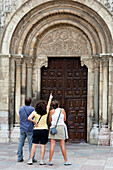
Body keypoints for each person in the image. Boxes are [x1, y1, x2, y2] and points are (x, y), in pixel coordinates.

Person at [27, 93, 53, 165]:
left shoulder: (35, 112)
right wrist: (50, 98)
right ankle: (41, 160)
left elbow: (29, 118)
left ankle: (30, 159)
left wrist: (34, 122)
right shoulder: (46, 112)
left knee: (34, 145)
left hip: (36, 130)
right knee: (43, 145)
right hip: (44, 130)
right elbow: (49, 105)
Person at [48, 100, 72, 166]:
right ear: (58, 105)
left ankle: (50, 161)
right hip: (61, 127)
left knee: (52, 145)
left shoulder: (51, 111)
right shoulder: (62, 110)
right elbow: (64, 119)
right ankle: (66, 161)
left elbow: (50, 120)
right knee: (62, 145)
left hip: (53, 128)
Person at [17, 97, 37, 162]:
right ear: (31, 102)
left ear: (24, 102)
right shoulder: (32, 109)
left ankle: (19, 157)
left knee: (20, 143)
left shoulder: (21, 109)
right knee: (31, 144)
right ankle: (31, 158)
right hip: (30, 128)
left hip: (22, 128)